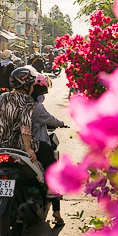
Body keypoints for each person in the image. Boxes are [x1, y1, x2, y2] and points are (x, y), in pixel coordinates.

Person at [0, 66, 39, 230]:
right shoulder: (28, 101)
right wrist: (28, 148)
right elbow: (26, 127)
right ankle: (48, 196)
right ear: (26, 85)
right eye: (32, 84)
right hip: (19, 147)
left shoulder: (1, 98)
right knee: (41, 163)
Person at [30, 73, 66, 226]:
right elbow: (51, 119)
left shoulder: (13, 102)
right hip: (35, 144)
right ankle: (56, 212)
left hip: (14, 145)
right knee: (53, 168)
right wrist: (62, 123)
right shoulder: (37, 107)